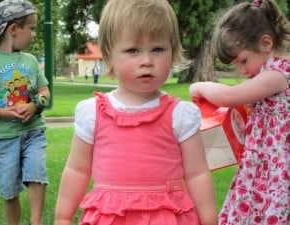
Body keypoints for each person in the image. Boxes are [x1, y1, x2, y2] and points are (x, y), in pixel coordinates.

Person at [55, 0, 217, 224]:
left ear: (173, 51)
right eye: (133, 50)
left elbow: (197, 173)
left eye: (158, 49)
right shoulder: (92, 113)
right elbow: (77, 170)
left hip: (167, 216)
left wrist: (209, 220)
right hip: (109, 217)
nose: (147, 61)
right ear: (110, 56)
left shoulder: (180, 114)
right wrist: (63, 217)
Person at [189, 0, 290, 224]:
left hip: (275, 166)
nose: (242, 70)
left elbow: (229, 96)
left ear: (266, 43)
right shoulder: (272, 73)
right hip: (263, 162)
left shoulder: (277, 75)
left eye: (243, 61)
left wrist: (198, 87)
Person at [0, 0, 50, 225]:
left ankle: (36, 222)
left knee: (37, 175)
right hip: (3, 139)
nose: (34, 34)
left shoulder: (31, 61)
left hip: (33, 132)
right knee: (9, 189)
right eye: (32, 28)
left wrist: (36, 105)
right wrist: (6, 113)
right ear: (14, 30)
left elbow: (44, 90)